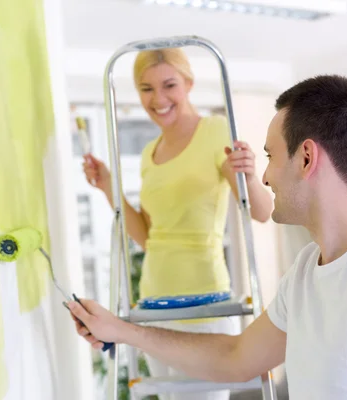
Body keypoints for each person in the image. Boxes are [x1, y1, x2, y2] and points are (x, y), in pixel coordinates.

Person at [71, 75, 347, 399]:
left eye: (270, 156)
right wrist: (122, 331)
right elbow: (235, 358)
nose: (265, 177)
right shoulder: (304, 273)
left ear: (306, 158)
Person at [81, 48, 273, 400]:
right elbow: (149, 238)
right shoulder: (149, 152)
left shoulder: (216, 132)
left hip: (204, 306)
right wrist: (109, 186)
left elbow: (260, 212)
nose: (158, 99)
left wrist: (250, 175)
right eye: (146, 89)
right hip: (154, 305)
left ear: (188, 84)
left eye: (169, 85)